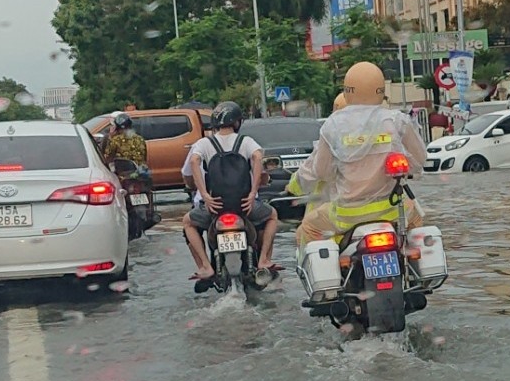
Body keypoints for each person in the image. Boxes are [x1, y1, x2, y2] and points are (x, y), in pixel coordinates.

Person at [287, 62, 429, 250]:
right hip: (392, 210)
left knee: (309, 228)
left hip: (346, 215)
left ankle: (331, 278)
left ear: (347, 90)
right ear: (381, 90)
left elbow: (321, 172)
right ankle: (412, 272)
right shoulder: (396, 120)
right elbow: (419, 159)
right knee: (416, 219)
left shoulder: (333, 125)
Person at [182, 101, 279, 283]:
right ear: (237, 122)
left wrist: (205, 195)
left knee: (188, 222)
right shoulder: (246, 142)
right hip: (244, 206)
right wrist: (252, 193)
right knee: (272, 215)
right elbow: (258, 157)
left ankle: (205, 266)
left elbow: (194, 161)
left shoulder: (204, 143)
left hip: (215, 208)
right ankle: (264, 259)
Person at [101, 113, 149, 181]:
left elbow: (107, 157)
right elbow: (144, 157)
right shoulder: (140, 139)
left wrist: (110, 136)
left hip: (123, 175)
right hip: (141, 173)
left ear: (116, 127)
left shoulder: (115, 140)